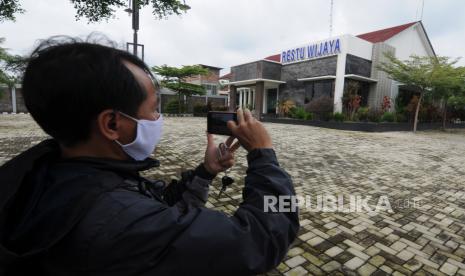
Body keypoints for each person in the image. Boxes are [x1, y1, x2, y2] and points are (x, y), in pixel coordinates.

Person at [0, 37, 299, 276]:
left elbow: (158, 212)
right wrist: (263, 155)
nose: (158, 117)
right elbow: (258, 241)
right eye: (154, 108)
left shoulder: (43, 173)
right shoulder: (118, 221)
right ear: (112, 124)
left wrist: (205, 172)